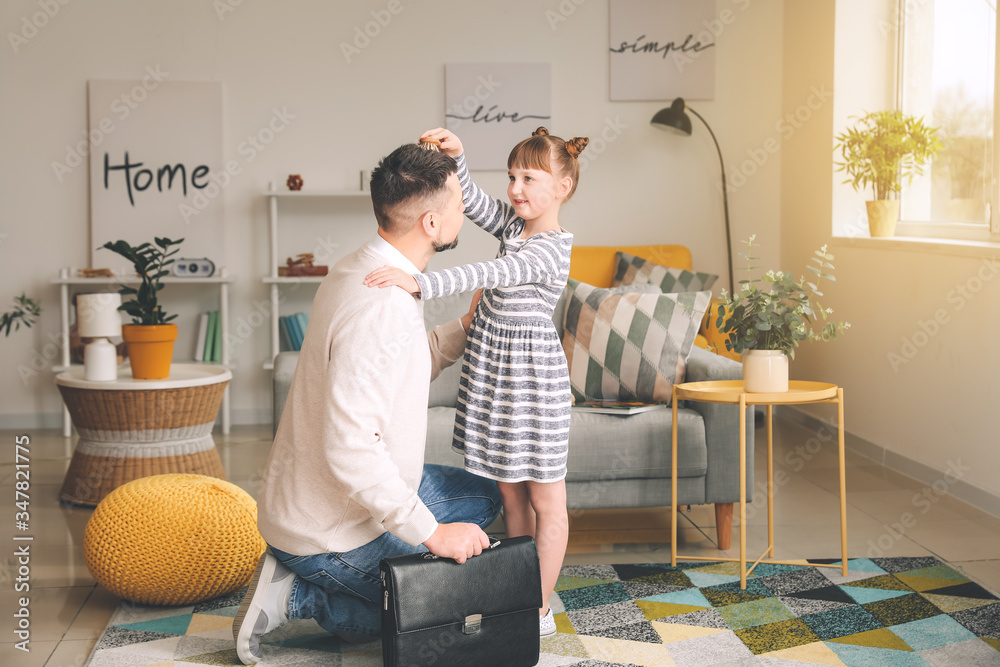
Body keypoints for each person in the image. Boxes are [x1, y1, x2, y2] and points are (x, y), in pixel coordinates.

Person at [234, 143, 502, 665]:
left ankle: (351, 578)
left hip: (332, 495)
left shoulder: (365, 267)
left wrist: (464, 329)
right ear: (430, 221)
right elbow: (350, 448)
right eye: (457, 201)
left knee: (484, 501)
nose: (465, 209)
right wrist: (432, 534)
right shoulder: (379, 305)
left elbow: (398, 368)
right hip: (324, 526)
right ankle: (298, 594)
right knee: (449, 615)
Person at [365, 126, 589, 637]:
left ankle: (538, 606)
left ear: (563, 187)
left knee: (546, 498)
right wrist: (459, 156)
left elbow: (476, 276)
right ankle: (517, 589)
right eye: (512, 176)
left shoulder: (551, 247)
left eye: (530, 178)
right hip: (498, 380)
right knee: (511, 496)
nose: (516, 188)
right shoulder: (514, 224)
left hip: (534, 385)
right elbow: (475, 204)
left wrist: (419, 280)